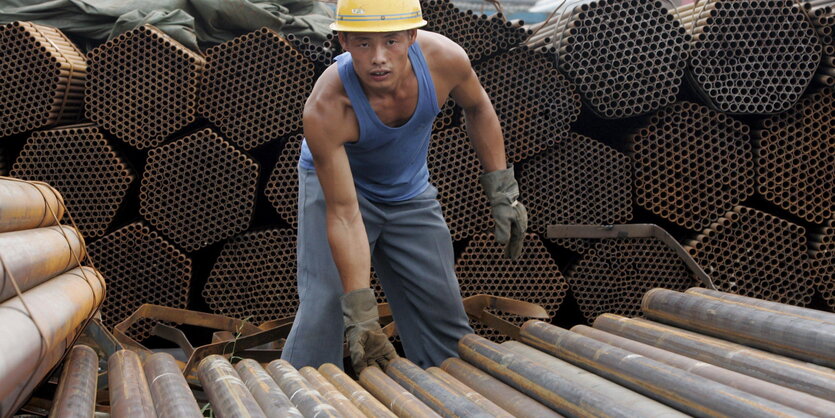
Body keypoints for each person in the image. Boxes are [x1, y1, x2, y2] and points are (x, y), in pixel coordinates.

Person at [280, 0, 528, 373]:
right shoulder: (329, 107)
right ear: (344, 42)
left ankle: (449, 399)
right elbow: (346, 216)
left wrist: (503, 192)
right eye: (363, 43)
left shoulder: (445, 61)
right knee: (326, 304)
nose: (379, 57)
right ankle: (296, 401)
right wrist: (362, 318)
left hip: (408, 191)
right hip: (341, 190)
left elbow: (478, 108)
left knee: (441, 309)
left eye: (392, 41)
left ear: (412, 35)